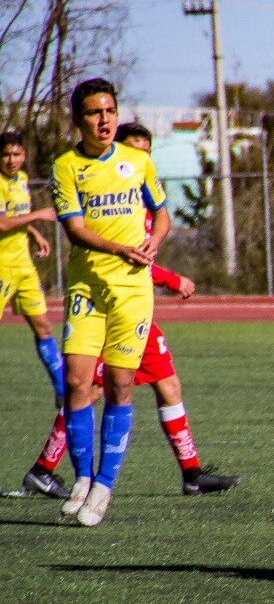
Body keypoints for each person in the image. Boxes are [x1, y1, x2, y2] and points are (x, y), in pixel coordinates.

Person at [24, 122, 241, 501]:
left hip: (137, 310)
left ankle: (191, 473)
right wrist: (172, 279)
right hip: (106, 306)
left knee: (168, 385)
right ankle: (45, 468)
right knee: (90, 389)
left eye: (145, 152)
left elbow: (144, 253)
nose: (138, 159)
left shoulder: (142, 199)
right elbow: (123, 259)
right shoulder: (103, 198)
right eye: (133, 150)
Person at [50, 79, 171, 527]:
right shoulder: (65, 166)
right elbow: (75, 229)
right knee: (76, 382)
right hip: (87, 288)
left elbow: (162, 215)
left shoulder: (138, 161)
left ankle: (103, 485)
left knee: (121, 385)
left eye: (110, 111)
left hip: (132, 291)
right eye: (94, 112)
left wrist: (153, 242)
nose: (104, 120)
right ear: (77, 119)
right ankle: (82, 477)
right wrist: (119, 249)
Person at [0, 131, 64, 407]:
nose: (11, 160)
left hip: (23, 266)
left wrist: (34, 233)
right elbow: (2, 223)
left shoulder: (22, 179)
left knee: (43, 326)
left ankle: (63, 389)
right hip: (2, 267)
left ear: (24, 155)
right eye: (6, 155)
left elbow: (16, 217)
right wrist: (39, 215)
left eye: (16, 154)